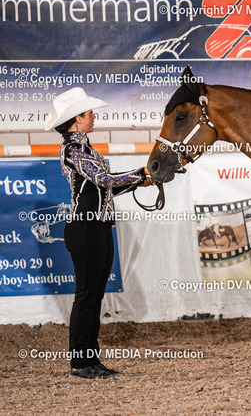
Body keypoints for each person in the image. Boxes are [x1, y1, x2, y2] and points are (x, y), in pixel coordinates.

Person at [45, 87, 154, 379]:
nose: (94, 117)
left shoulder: (85, 150)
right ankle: (81, 362)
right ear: (77, 119)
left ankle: (90, 360)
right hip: (86, 227)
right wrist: (140, 174)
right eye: (89, 113)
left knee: (94, 296)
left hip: (97, 225)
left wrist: (139, 181)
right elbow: (103, 179)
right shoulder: (74, 150)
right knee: (87, 296)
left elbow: (104, 188)